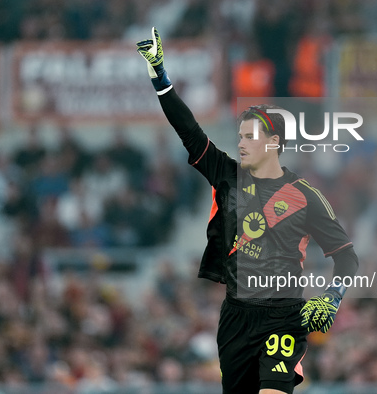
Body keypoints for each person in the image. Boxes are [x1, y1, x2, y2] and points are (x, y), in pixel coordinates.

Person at [136, 28, 359, 394]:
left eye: (250, 137)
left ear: (274, 143)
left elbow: (347, 258)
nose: (241, 144)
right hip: (235, 317)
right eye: (239, 137)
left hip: (282, 317)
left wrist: (332, 297)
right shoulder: (227, 176)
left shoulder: (306, 197)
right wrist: (160, 76)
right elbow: (189, 131)